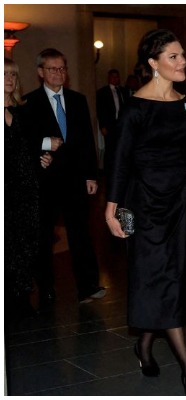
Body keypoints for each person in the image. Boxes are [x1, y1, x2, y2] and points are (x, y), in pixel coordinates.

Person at [104, 28, 186, 396]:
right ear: (153, 64)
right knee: (162, 282)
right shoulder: (135, 108)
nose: (182, 61)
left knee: (172, 283)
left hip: (183, 205)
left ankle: (143, 344)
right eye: (173, 56)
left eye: (183, 54)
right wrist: (111, 210)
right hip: (148, 209)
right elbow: (118, 162)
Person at [23, 48, 105, 306]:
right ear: (40, 72)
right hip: (45, 180)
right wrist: (42, 150)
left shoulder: (77, 100)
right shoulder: (28, 103)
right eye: (52, 69)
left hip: (75, 180)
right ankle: (46, 289)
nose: (59, 73)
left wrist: (91, 175)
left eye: (62, 68)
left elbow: (87, 141)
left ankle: (88, 286)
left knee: (81, 232)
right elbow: (23, 142)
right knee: (44, 236)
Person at [4, 58, 54, 321]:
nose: (9, 79)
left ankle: (21, 299)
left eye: (13, 74)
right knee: (7, 245)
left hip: (27, 189)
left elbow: (32, 146)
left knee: (25, 245)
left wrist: (43, 158)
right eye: (4, 74)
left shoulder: (24, 111)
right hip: (5, 190)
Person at [96, 68, 128, 176]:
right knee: (110, 149)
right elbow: (100, 110)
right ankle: (109, 171)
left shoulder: (123, 91)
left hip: (122, 125)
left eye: (117, 76)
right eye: (113, 76)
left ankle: (121, 169)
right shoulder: (102, 92)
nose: (115, 78)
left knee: (122, 147)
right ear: (109, 78)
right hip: (110, 125)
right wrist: (103, 126)